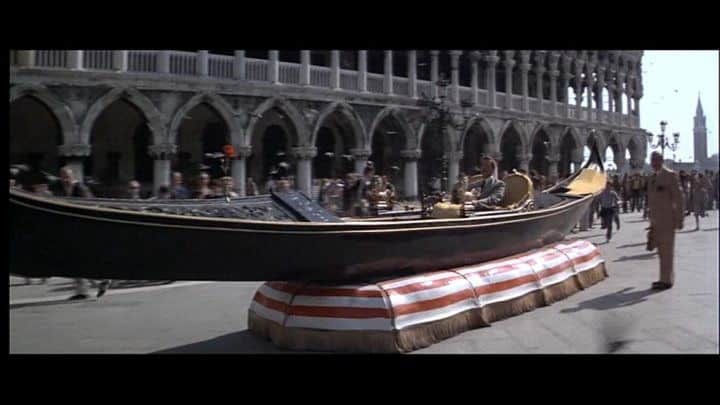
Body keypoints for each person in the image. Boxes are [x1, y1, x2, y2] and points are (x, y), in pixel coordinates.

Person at [53, 166, 111, 299]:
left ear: (72, 177)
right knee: (75, 261)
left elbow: (90, 206)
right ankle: (83, 290)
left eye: (67, 177)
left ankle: (101, 280)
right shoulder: (61, 190)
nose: (65, 180)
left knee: (83, 260)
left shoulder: (80, 188)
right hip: (72, 230)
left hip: (84, 230)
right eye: (63, 177)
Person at [646, 152, 684, 290]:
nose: (653, 163)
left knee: (667, 250)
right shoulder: (652, 178)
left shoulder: (670, 175)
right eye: (652, 160)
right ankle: (663, 277)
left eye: (656, 160)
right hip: (656, 220)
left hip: (668, 219)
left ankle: (666, 280)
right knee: (661, 251)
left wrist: (679, 219)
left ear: (661, 161)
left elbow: (679, 198)